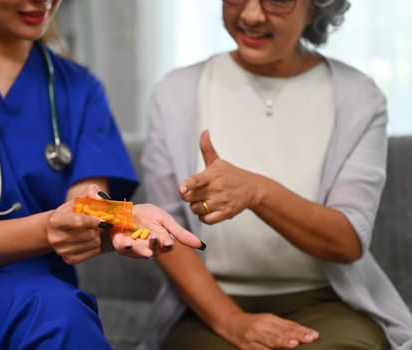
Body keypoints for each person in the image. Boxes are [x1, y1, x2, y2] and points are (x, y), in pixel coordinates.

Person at [0, 0, 205, 349]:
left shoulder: (79, 87)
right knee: (54, 312)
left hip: (42, 294)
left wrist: (122, 219)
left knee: (56, 307)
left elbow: (86, 206)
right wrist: (48, 227)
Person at [139, 0, 412, 349]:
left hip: (326, 302)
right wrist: (232, 321)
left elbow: (346, 242)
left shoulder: (360, 97)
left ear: (317, 9)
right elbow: (164, 231)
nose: (251, 15)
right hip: (210, 307)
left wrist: (257, 191)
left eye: (278, 1)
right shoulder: (175, 92)